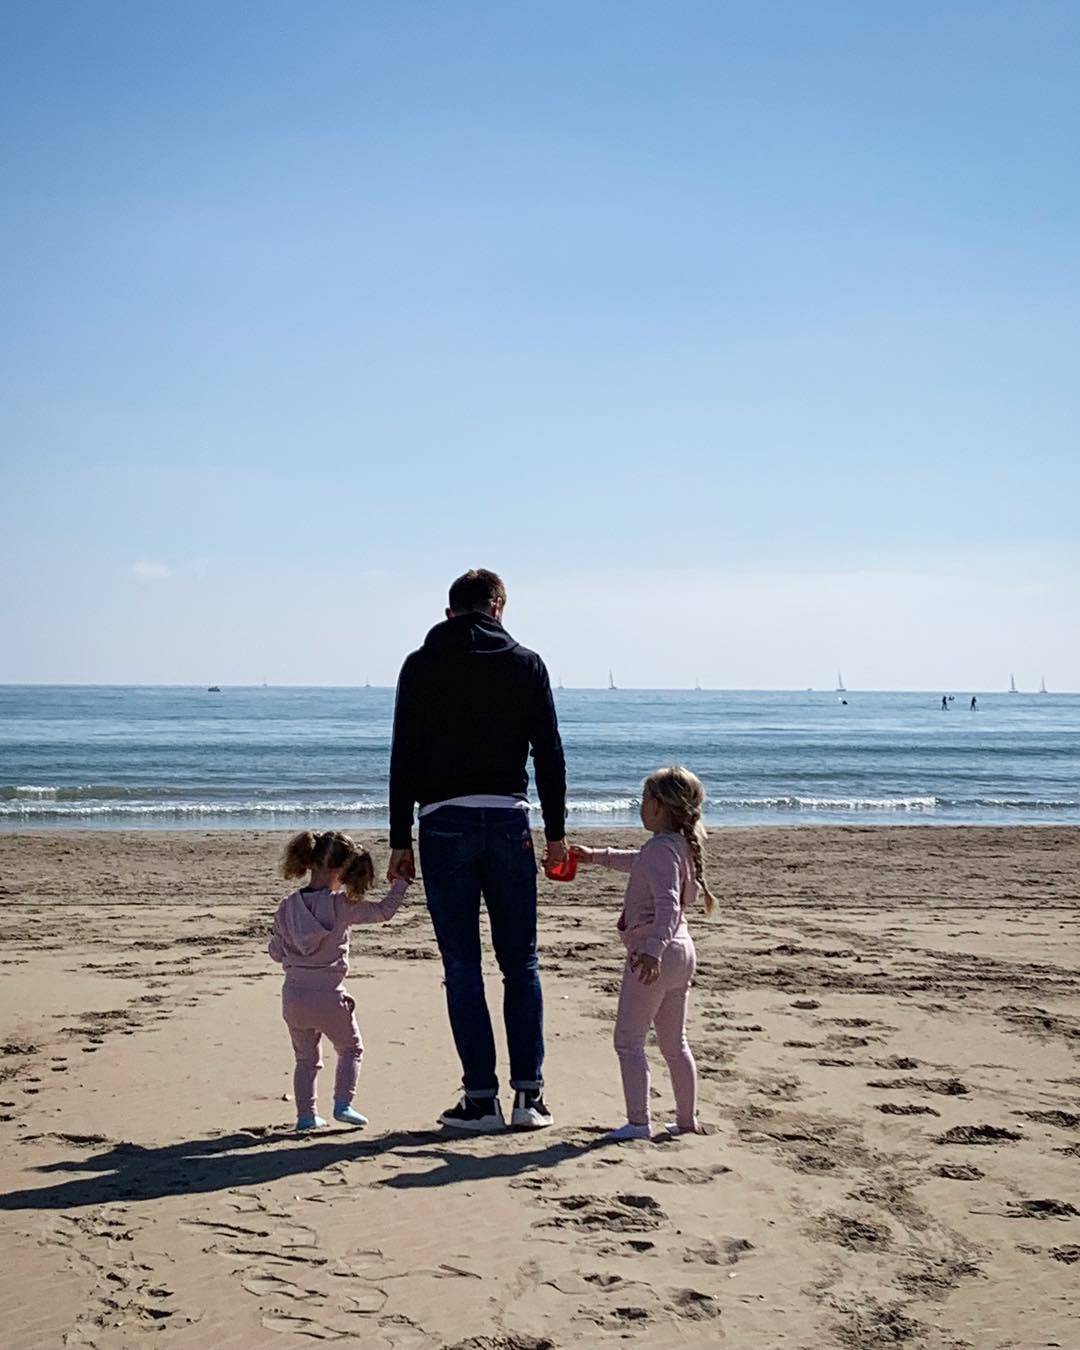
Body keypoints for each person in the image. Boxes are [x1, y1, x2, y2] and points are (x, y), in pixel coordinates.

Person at [388, 569, 566, 1133]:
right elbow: (549, 753)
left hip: (443, 822)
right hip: (508, 818)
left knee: (463, 967)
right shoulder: (525, 663)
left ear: (449, 613)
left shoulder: (420, 665)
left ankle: (481, 1098)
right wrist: (556, 833)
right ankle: (529, 1098)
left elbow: (403, 757)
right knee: (521, 962)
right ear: (498, 609)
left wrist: (400, 839)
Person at [572, 766, 715, 1140]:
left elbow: (668, 905)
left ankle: (638, 1123)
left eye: (642, 800)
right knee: (674, 1043)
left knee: (628, 1040)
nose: (639, 807)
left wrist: (652, 950)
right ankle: (686, 1121)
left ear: (657, 806)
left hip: (657, 953)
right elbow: (635, 861)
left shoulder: (661, 850)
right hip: (682, 952)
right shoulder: (676, 847)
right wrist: (594, 857)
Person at [269, 830, 409, 1130]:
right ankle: (343, 1103)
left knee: (305, 1060)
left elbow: (276, 953)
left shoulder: (286, 906)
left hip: (293, 996)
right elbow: (385, 911)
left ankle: (306, 1117)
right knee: (350, 1049)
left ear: (310, 862)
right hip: (330, 996)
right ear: (345, 870)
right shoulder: (342, 905)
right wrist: (401, 883)